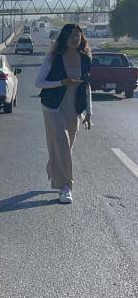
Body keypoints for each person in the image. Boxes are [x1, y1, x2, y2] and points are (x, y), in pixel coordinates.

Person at [35, 23, 93, 204]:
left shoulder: (85, 58)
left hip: (73, 108)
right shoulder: (53, 57)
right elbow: (39, 83)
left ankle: (53, 166)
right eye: (71, 36)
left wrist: (89, 112)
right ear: (64, 39)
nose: (75, 39)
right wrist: (62, 82)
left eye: (78, 35)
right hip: (53, 107)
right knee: (62, 142)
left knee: (66, 148)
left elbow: (86, 86)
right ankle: (65, 187)